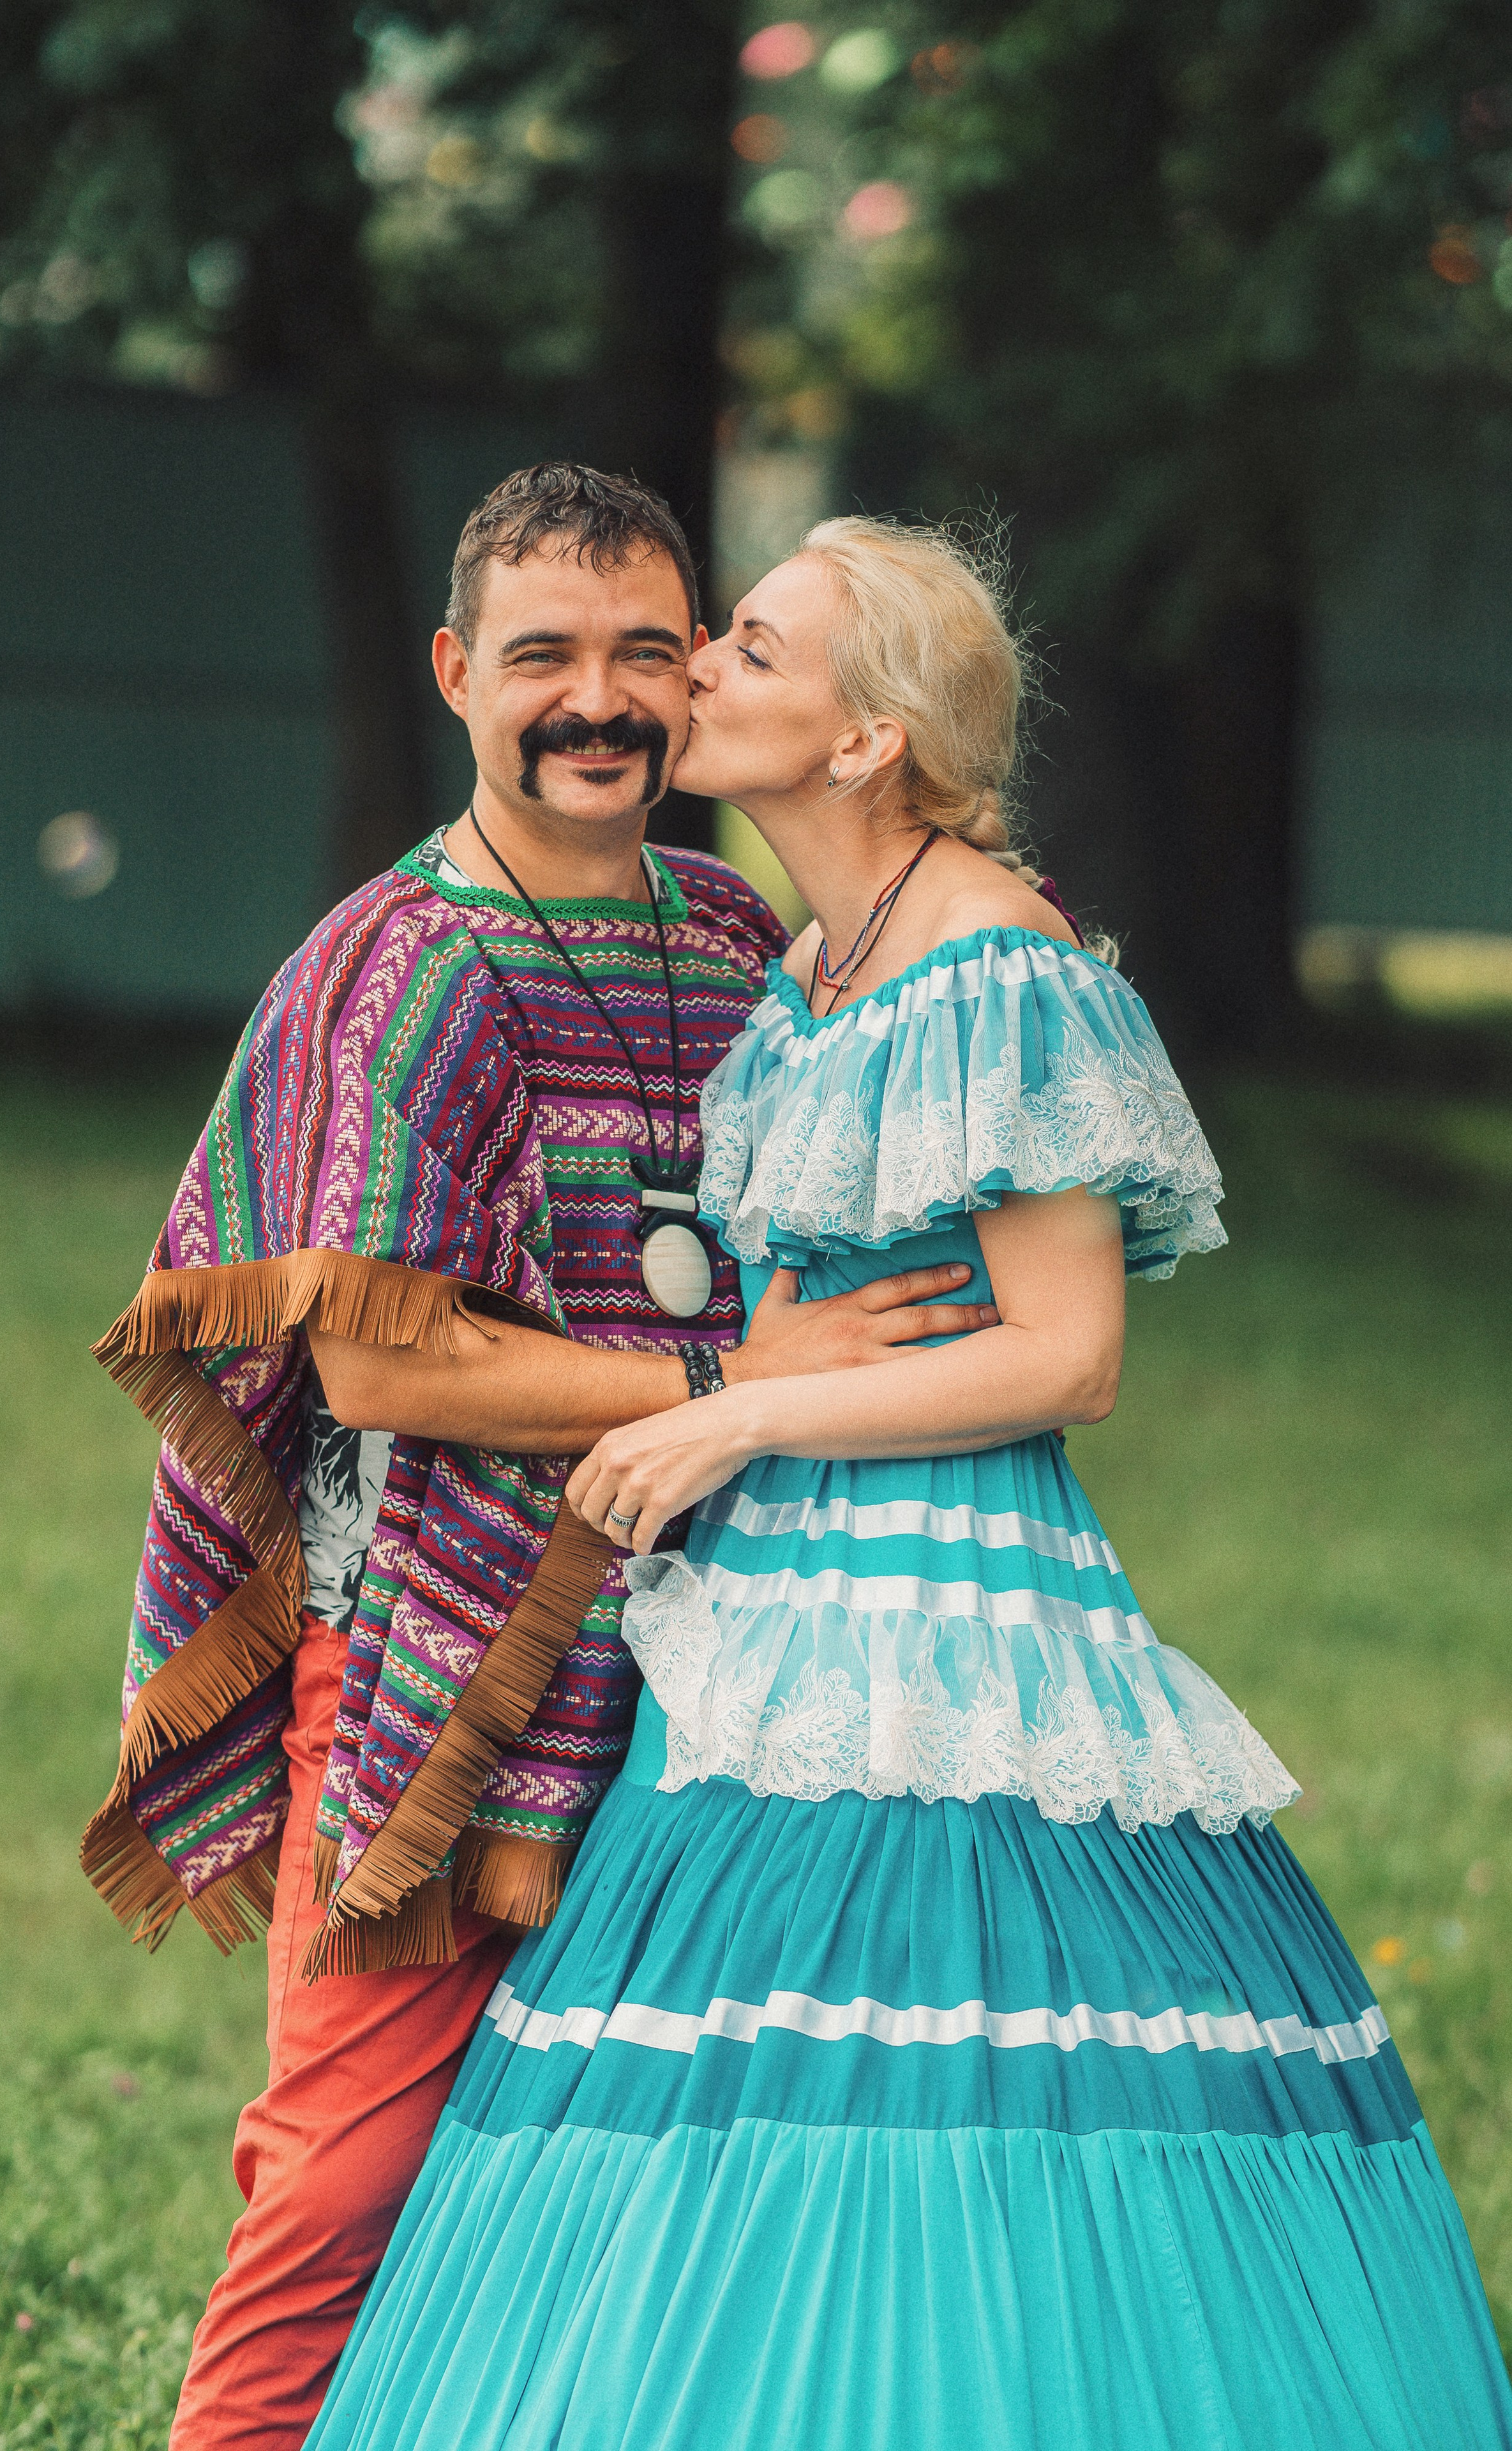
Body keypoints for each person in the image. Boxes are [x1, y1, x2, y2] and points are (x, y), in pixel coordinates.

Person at [304, 517, 1512, 2451]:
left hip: (968, 1623)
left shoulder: (1003, 971)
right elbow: (789, 1313)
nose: (696, 672)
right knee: (748, 2063)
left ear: (867, 741)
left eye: (752, 649)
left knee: (985, 2040)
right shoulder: (805, 971)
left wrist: (736, 1420)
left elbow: (1068, 1353)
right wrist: (730, 1397)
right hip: (773, 1635)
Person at [84, 468, 994, 2451]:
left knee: (638, 2162)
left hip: (708, 1661)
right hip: (432, 1668)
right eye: (542, 659)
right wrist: (724, 1377)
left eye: (644, 654)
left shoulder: (736, 930)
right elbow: (374, 1370)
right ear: (453, 674)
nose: (598, 702)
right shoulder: (401, 968)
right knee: (343, 2180)